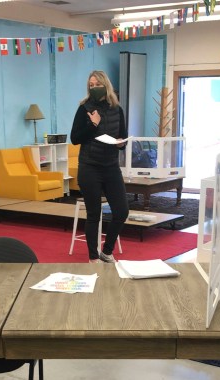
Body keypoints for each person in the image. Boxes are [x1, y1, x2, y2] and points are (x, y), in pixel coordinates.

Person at [70, 70, 129, 263]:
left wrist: (122, 143)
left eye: (97, 84)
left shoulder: (117, 109)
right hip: (90, 166)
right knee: (94, 214)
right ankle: (93, 258)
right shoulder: (84, 108)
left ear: (106, 85)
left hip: (111, 166)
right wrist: (93, 125)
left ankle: (107, 252)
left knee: (122, 211)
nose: (94, 87)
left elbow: (123, 136)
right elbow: (75, 139)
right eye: (91, 85)